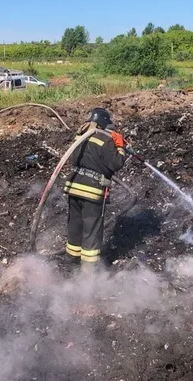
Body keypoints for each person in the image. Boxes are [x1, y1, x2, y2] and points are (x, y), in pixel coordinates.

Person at [63, 108, 128, 270]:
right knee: (92, 229)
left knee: (75, 225)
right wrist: (120, 146)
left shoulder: (80, 137)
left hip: (74, 188)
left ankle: (71, 262)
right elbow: (116, 163)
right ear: (104, 122)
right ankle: (89, 270)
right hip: (92, 191)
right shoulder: (105, 140)